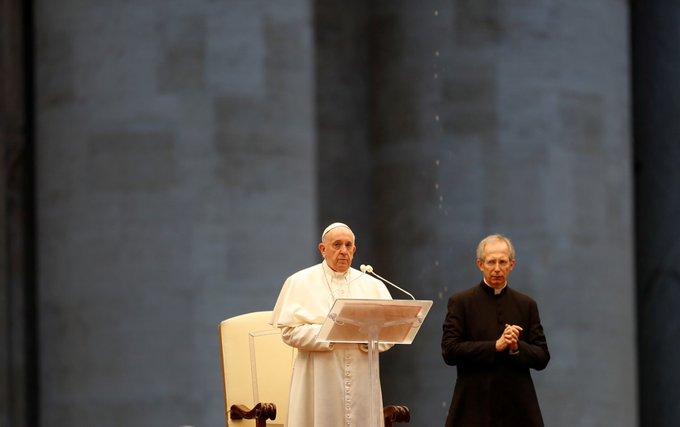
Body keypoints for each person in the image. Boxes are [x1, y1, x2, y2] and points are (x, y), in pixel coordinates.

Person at [272, 222, 393, 427]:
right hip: (318, 377)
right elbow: (289, 332)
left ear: (354, 250)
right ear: (323, 249)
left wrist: (367, 338)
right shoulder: (300, 282)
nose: (343, 251)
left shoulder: (372, 285)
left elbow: (390, 333)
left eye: (348, 246)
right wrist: (331, 333)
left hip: (362, 377)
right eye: (337, 245)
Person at [441, 234, 550, 427]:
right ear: (480, 265)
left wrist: (516, 347)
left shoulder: (526, 305)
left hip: (518, 407)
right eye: (491, 262)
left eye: (503, 262)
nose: (497, 269)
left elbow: (542, 357)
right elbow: (449, 351)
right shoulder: (461, 303)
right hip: (473, 405)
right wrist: (495, 346)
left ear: (512, 265)